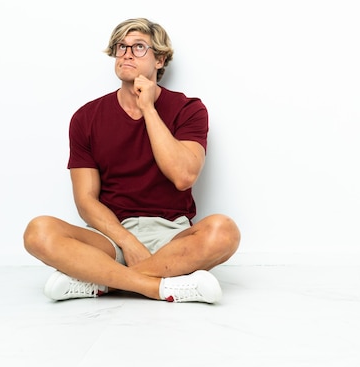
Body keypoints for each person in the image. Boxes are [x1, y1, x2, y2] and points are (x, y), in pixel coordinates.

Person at [23, 18, 240, 304]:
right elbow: (86, 200)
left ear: (160, 59)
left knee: (225, 232)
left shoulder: (188, 109)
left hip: (172, 236)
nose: (126, 53)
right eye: (121, 46)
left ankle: (101, 281)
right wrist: (127, 242)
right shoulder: (86, 117)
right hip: (110, 235)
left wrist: (148, 107)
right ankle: (158, 287)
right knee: (38, 231)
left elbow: (183, 176)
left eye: (139, 47)